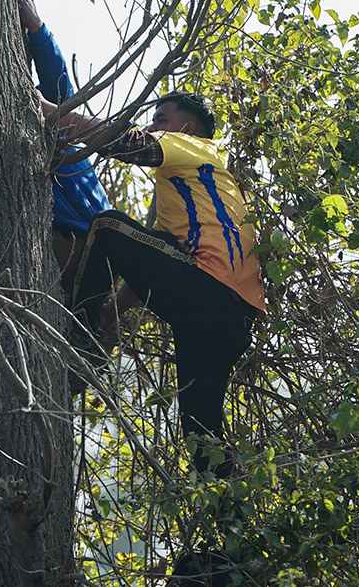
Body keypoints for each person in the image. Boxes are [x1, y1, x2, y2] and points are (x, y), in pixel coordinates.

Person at [41, 89, 266, 476]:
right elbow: (152, 263)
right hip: (232, 320)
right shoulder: (191, 192)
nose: (153, 126)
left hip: (209, 290)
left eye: (161, 119)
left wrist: (49, 111)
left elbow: (126, 142)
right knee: (202, 436)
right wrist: (112, 312)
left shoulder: (196, 148)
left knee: (107, 224)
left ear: (187, 128)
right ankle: (234, 519)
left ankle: (84, 340)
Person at [17, 0, 111, 298]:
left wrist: (38, 28)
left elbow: (60, 92)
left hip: (92, 246)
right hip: (79, 250)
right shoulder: (20, 150)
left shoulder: (61, 133)